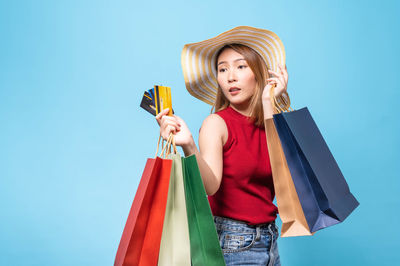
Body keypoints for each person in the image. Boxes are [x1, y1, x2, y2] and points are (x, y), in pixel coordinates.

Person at [156, 26, 289, 266]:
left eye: (241, 66)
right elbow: (210, 185)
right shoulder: (216, 123)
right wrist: (189, 146)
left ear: (258, 73)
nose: (230, 77)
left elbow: (284, 177)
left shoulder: (268, 124)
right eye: (222, 69)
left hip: (270, 241)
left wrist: (269, 101)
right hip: (233, 243)